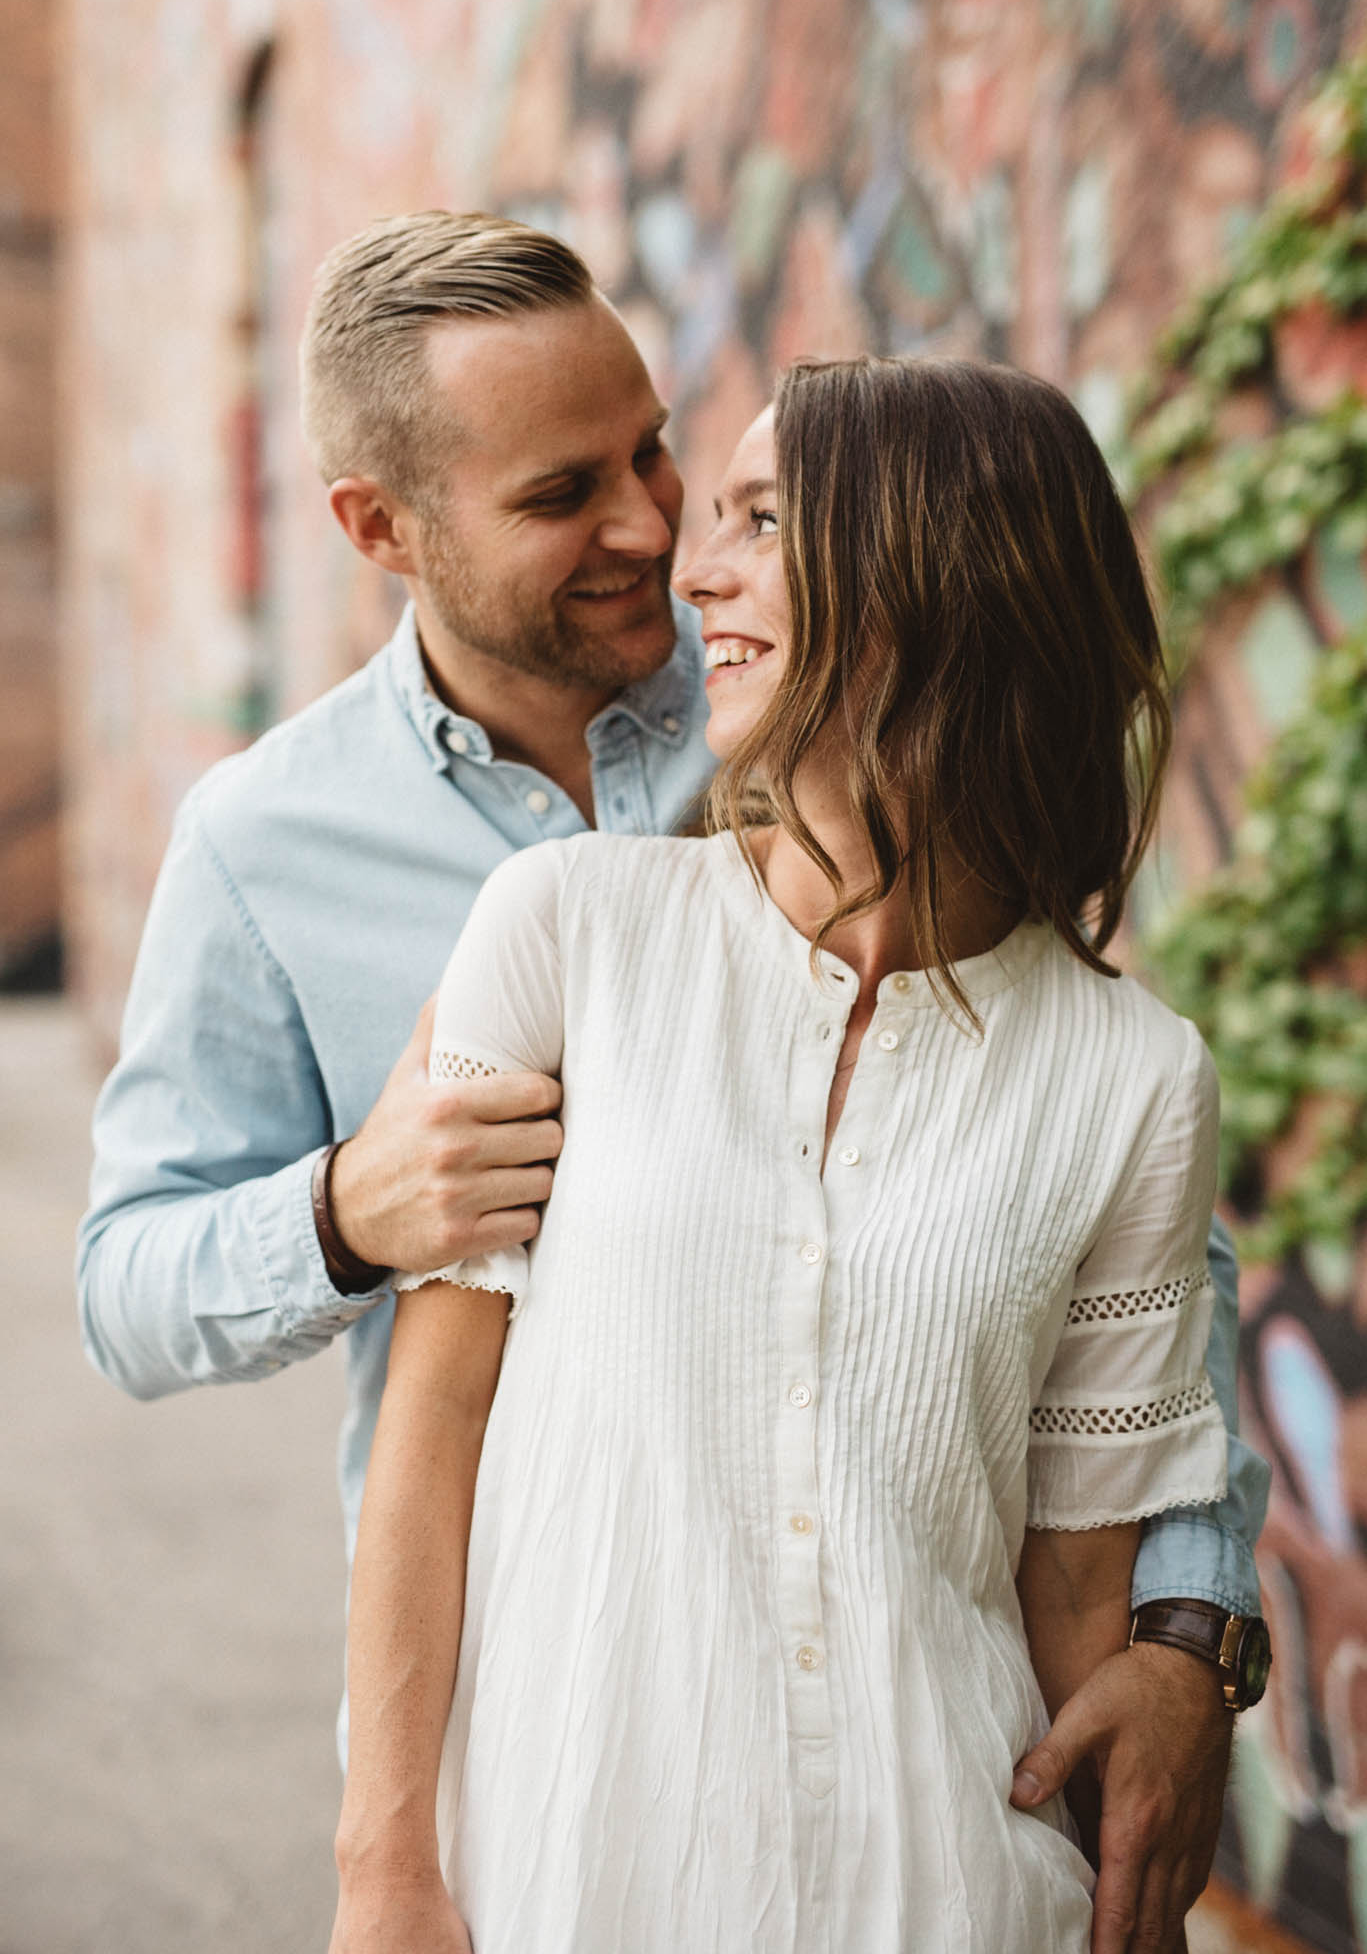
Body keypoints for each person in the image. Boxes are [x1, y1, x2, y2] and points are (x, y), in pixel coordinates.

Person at [76, 214, 1269, 1951]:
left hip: (911, 1806)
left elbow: (1093, 1269)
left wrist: (1192, 1631)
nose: (654, 530)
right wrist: (347, 1212)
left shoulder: (849, 759)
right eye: (567, 495)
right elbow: (130, 1293)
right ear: (379, 530)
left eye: (653, 452)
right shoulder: (281, 849)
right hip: (536, 1744)